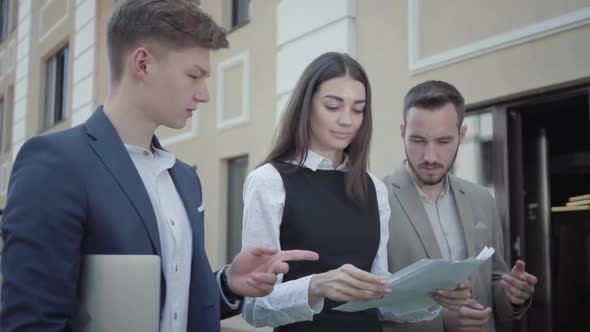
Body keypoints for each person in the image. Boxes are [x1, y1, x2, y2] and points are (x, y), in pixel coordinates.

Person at [0, 1, 318, 331]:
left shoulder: (184, 178)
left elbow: (176, 304)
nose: (205, 94)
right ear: (143, 63)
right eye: (194, 75)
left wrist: (227, 283)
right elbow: (32, 322)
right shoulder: (55, 165)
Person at [240, 53, 470, 332]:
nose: (347, 120)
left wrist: (431, 297)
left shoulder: (375, 188)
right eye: (333, 106)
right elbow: (254, 308)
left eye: (358, 109)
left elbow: (378, 297)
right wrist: (315, 287)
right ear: (305, 106)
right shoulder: (268, 182)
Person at [382, 80, 538, 332]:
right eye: (418, 141)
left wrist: (511, 293)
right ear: (402, 131)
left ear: (462, 135)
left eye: (443, 141)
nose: (430, 156)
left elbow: (494, 279)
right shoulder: (375, 200)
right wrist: (440, 322)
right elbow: (366, 302)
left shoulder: (482, 199)